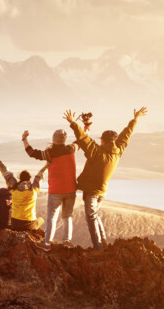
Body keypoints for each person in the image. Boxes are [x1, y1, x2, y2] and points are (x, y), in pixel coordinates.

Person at [63, 107, 148, 250]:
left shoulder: (96, 152)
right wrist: (135, 119)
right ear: (113, 141)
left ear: (102, 141)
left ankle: (98, 247)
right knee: (94, 215)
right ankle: (102, 240)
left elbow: (83, 139)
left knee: (91, 217)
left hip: (92, 192)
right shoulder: (118, 151)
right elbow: (126, 134)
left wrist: (73, 122)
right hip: (103, 191)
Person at [23, 129, 79, 251]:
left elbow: (32, 153)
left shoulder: (49, 153)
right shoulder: (71, 149)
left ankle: (47, 244)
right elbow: (81, 140)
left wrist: (24, 139)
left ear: (54, 139)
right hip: (70, 189)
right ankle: (67, 241)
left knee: (52, 217)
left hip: (56, 191)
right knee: (67, 216)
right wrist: (86, 127)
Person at [0, 152, 48, 231]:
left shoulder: (14, 188)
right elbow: (40, 174)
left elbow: (6, 174)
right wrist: (49, 163)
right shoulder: (33, 189)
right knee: (41, 220)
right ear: (29, 178)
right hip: (29, 224)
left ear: (19, 178)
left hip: (15, 223)